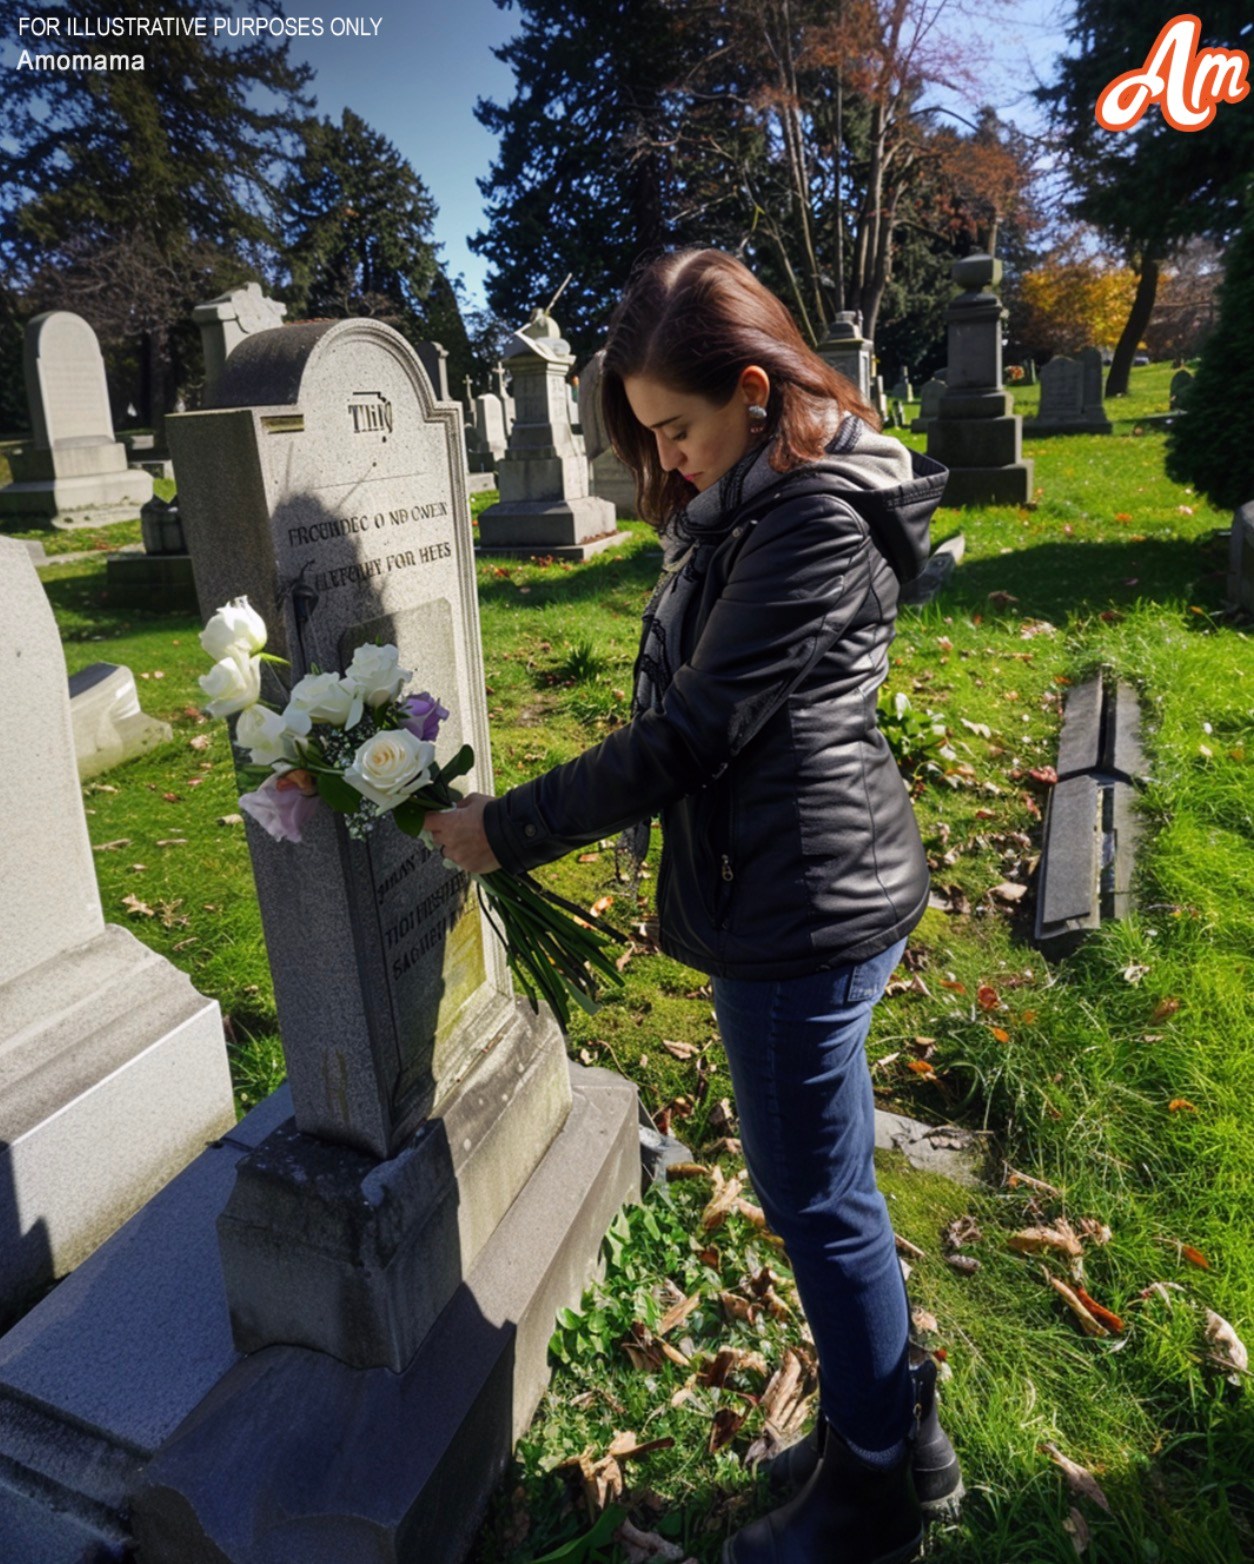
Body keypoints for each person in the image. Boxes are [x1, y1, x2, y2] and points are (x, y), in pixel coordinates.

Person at [426, 249, 961, 1564]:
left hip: (801, 909)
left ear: (757, 390)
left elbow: (694, 735)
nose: (662, 460)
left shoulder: (812, 521)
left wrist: (504, 830)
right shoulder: (764, 496)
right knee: (825, 1190)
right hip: (793, 880)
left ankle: (875, 1488)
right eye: (648, 435)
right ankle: (891, 1429)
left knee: (815, 1200)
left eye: (676, 427)